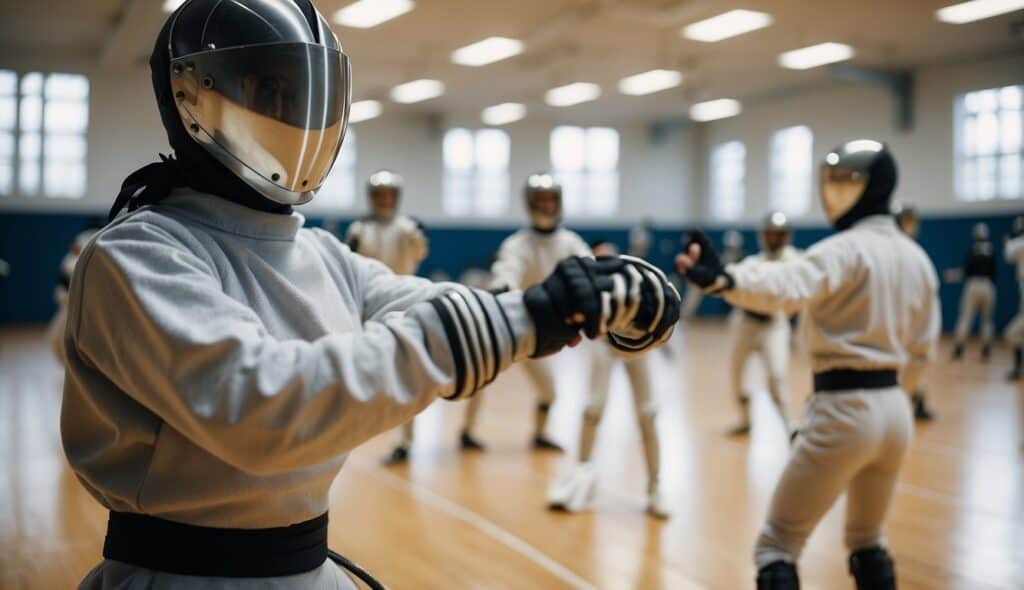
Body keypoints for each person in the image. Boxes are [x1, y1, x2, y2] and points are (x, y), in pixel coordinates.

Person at [61, 2, 680, 588]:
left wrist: (597, 298)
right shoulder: (137, 254)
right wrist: (528, 315)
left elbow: (418, 304)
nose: (293, 114)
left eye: (301, 94)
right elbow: (263, 405)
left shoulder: (319, 253)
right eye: (266, 90)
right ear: (194, 95)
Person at [677, 140, 939, 590]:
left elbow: (787, 284)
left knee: (777, 545)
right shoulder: (918, 259)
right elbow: (923, 350)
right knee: (867, 539)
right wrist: (904, 394)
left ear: (870, 187)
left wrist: (726, 279)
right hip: (896, 414)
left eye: (844, 180)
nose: (832, 190)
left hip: (842, 409)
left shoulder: (842, 250)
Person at [546, 240, 675, 518]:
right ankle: (582, 476)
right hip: (604, 345)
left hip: (636, 349)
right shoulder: (586, 290)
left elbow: (657, 315)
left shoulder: (635, 284)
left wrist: (665, 344)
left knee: (648, 413)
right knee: (593, 408)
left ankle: (655, 487)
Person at [484, 173, 598, 452]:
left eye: (551, 199)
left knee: (549, 392)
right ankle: (466, 432)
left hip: (543, 333)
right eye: (541, 200)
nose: (547, 205)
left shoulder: (570, 241)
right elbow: (507, 271)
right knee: (478, 377)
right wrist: (502, 289)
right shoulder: (518, 243)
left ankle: (538, 435)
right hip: (513, 324)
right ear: (530, 203)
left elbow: (589, 268)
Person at [344, 170, 431, 465]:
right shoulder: (360, 229)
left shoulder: (408, 228)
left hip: (406, 307)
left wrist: (418, 236)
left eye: (389, 194)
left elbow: (419, 254)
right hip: (371, 309)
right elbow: (351, 266)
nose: (384, 200)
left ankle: (406, 441)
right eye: (379, 195)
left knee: (409, 375)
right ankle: (357, 429)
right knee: (369, 371)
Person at [725, 212, 800, 438]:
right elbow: (733, 280)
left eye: (778, 235)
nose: (773, 239)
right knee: (736, 377)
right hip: (745, 324)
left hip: (774, 325)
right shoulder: (752, 263)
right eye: (770, 234)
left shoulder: (795, 261)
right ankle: (745, 420)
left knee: (776, 377)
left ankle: (791, 427)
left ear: (786, 237)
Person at [891, 202, 938, 421]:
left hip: (911, 319)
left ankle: (915, 401)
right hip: (893, 320)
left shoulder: (916, 256)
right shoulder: (891, 251)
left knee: (917, 359)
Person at [48, 223, 102, 366]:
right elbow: (64, 280)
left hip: (88, 306)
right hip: (70, 304)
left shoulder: (96, 244)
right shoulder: (71, 260)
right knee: (58, 340)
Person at [951, 223, 997, 361]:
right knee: (987, 320)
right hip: (988, 286)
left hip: (973, 285)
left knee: (965, 317)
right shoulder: (991, 251)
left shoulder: (972, 251)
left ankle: (959, 347)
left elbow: (966, 271)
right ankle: (986, 349)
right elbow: (995, 272)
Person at [681, 230, 744, 319]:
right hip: (716, 280)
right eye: (730, 247)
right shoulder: (723, 256)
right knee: (693, 292)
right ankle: (683, 318)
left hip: (732, 286)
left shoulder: (742, 259)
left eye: (733, 247)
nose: (731, 249)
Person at [1005, 216, 1024, 380]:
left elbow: (1008, 255)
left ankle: (1018, 369)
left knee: (1012, 333)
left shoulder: (1017, 243)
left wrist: (1007, 242)